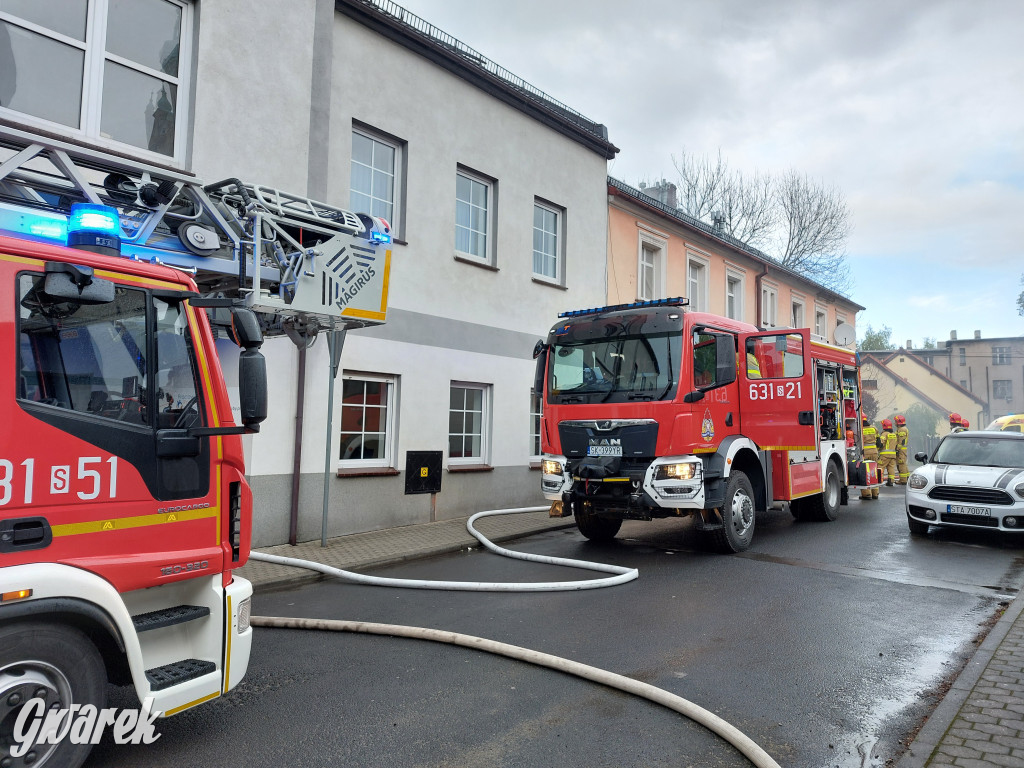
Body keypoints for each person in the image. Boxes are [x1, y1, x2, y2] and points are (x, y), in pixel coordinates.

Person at [860, 417, 879, 499]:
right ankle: (875, 493)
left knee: (864, 472)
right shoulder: (874, 428)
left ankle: (867, 494)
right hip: (874, 452)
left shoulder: (860, 429)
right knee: (873, 472)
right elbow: (879, 441)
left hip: (865, 453)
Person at [878, 418, 899, 487]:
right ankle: (891, 481)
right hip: (893, 455)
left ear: (884, 426)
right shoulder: (893, 434)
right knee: (891, 468)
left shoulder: (884, 434)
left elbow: (881, 443)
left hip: (885, 455)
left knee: (880, 467)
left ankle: (879, 481)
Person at [894, 414, 910, 485]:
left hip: (901, 450)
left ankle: (903, 480)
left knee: (901, 464)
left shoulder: (902, 429)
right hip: (902, 449)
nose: (894, 423)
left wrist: (897, 449)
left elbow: (901, 441)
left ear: (899, 422)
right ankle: (907, 477)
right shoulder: (901, 429)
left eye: (895, 421)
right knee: (903, 463)